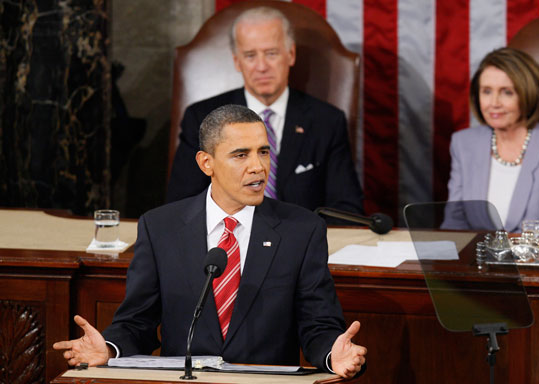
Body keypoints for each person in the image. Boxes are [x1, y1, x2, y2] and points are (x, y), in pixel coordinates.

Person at [53, 104, 366, 379]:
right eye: (240, 155)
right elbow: (138, 321)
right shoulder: (161, 227)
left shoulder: (302, 230)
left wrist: (331, 352)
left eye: (264, 151)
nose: (258, 166)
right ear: (206, 163)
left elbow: (318, 324)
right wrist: (109, 348)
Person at [166, 6, 363, 217]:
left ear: (291, 54)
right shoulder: (201, 118)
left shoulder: (327, 121)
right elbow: (182, 205)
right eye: (250, 55)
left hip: (299, 242)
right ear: (237, 61)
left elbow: (346, 211)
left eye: (271, 53)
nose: (261, 67)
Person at [447, 47, 539, 232]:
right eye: (486, 91)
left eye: (507, 92)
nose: (494, 103)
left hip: (533, 260)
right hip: (472, 259)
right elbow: (454, 223)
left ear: (528, 93)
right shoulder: (463, 144)